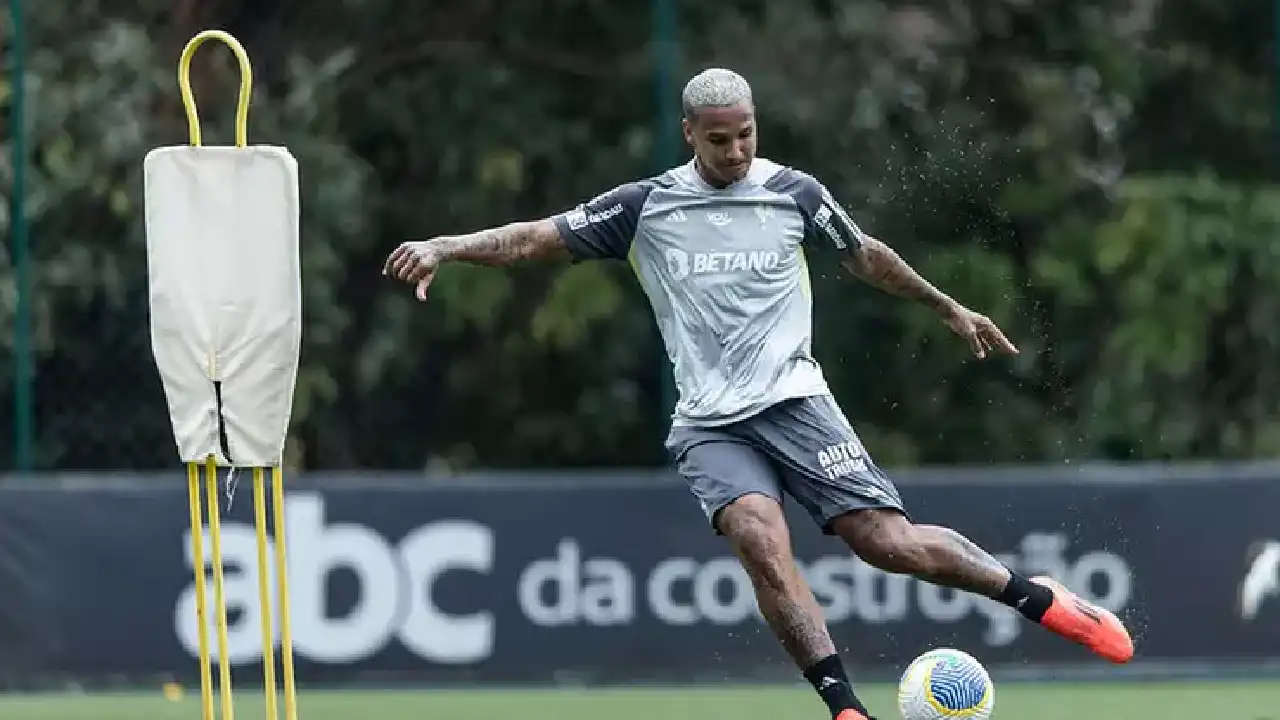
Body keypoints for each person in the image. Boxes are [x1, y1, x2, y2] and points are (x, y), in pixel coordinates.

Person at [383, 67, 1134, 720]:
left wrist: (948, 306)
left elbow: (865, 255)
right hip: (713, 424)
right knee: (759, 541)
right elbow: (531, 239)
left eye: (745, 134)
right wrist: (445, 247)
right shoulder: (643, 208)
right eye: (719, 140)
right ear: (689, 135)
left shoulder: (792, 194)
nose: (736, 150)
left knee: (889, 546)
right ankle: (844, 707)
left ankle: (1039, 599)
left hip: (799, 404)